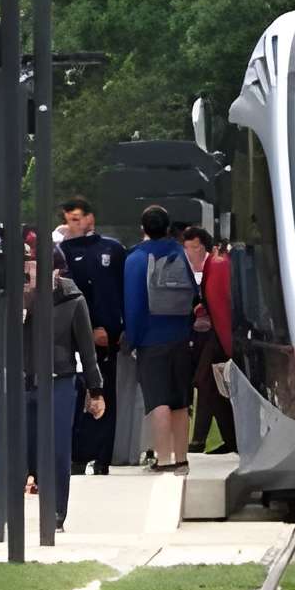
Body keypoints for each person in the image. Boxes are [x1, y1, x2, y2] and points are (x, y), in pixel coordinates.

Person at [24, 240, 105, 529]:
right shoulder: (16, 298)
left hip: (60, 380)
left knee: (57, 448)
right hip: (23, 382)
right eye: (28, 267)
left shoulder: (72, 299)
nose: (32, 273)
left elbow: (86, 348)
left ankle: (57, 510)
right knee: (26, 446)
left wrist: (95, 390)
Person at [123, 204, 197, 474]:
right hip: (179, 336)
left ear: (143, 228)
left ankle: (163, 459)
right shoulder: (179, 253)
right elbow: (192, 294)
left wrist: (132, 339)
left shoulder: (136, 259)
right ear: (168, 228)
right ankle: (182, 459)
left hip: (151, 339)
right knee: (180, 400)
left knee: (158, 400)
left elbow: (134, 305)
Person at [58, 198, 127, 474]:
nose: (72, 224)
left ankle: (102, 457)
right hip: (75, 336)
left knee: (105, 391)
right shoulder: (62, 253)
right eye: (68, 219)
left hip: (109, 336)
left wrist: (119, 328)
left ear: (89, 219)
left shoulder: (111, 249)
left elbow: (119, 292)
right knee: (77, 395)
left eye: (76, 218)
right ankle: (77, 454)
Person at [185, 226, 238, 455]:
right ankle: (230, 439)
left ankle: (229, 439)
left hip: (219, 336)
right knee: (208, 384)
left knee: (206, 382)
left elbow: (221, 303)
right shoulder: (217, 263)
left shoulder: (215, 264)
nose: (189, 252)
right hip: (218, 334)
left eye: (194, 247)